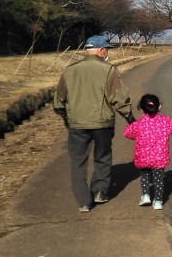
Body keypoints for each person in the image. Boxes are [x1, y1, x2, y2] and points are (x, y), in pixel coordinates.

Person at [53, 35, 135, 212]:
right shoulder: (108, 70)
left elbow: (59, 101)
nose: (107, 52)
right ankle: (99, 192)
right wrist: (130, 119)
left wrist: (67, 118)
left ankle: (83, 201)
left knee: (77, 161)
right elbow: (119, 98)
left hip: (77, 124)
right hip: (102, 124)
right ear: (100, 50)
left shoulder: (69, 70)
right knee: (102, 157)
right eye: (106, 49)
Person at [124, 93, 172, 210]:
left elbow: (128, 133)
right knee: (159, 179)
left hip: (143, 157)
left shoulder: (138, 125)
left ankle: (145, 195)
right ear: (159, 107)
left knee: (145, 175)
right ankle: (158, 201)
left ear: (141, 109)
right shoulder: (165, 122)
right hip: (159, 158)